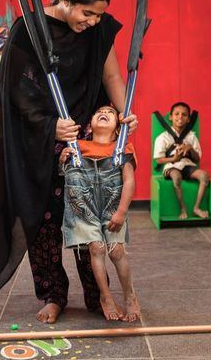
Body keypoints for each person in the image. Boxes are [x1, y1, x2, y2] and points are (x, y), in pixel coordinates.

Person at [0, 0, 138, 324]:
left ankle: (97, 292)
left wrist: (124, 112)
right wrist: (50, 126)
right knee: (45, 218)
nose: (94, 21)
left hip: (84, 134)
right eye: (87, 12)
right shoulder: (30, 29)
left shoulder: (99, 30)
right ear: (65, 1)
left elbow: (110, 74)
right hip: (40, 136)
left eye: (99, 13)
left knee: (88, 214)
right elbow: (13, 89)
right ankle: (53, 293)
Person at [59, 105, 140, 322]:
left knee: (116, 251)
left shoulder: (123, 148)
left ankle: (129, 295)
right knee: (96, 248)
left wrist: (122, 211)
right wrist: (62, 160)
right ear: (90, 124)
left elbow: (129, 181)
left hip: (112, 203)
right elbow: (66, 176)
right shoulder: (77, 146)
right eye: (98, 112)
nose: (104, 113)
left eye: (111, 113)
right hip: (83, 204)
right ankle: (105, 296)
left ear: (117, 130)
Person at [153, 102, 210, 220]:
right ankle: (183, 208)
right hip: (171, 166)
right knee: (176, 177)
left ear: (188, 119)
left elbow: (197, 158)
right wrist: (173, 159)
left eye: (184, 115)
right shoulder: (163, 137)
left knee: (204, 176)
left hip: (187, 166)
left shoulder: (192, 137)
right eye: (177, 114)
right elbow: (159, 160)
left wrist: (190, 148)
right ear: (170, 117)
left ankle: (196, 208)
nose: (180, 117)